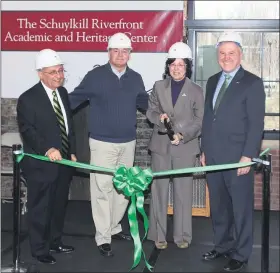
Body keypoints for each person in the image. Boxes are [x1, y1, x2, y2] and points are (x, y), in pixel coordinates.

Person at [68, 32, 149, 257]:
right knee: (102, 189)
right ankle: (102, 237)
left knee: (123, 188)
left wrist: (163, 115)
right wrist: (54, 110)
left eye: (125, 51)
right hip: (102, 142)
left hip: (128, 142)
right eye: (116, 50)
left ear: (130, 54)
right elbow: (73, 100)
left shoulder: (136, 78)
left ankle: (114, 227)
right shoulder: (95, 76)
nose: (121, 54)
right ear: (109, 52)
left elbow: (145, 104)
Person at [200, 32, 265, 272]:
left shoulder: (252, 82)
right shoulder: (212, 81)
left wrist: (248, 155)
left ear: (240, 55)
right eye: (222, 53)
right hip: (214, 156)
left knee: (241, 208)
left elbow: (256, 123)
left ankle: (241, 253)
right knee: (218, 206)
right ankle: (222, 246)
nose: (226, 57)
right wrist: (204, 150)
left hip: (238, 158)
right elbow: (209, 118)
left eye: (231, 53)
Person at [17, 49, 77, 264]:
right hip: (41, 165)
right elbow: (27, 130)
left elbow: (69, 126)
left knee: (58, 205)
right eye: (53, 72)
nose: (58, 76)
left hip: (63, 163)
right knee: (40, 207)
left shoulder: (62, 93)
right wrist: (47, 149)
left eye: (60, 71)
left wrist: (71, 151)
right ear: (40, 74)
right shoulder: (28, 99)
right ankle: (39, 249)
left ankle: (55, 241)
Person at [146, 42, 205, 250]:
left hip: (185, 148)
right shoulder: (158, 87)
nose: (176, 68)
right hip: (161, 147)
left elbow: (199, 121)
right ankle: (158, 235)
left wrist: (182, 134)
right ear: (168, 66)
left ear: (187, 66)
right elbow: (150, 111)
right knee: (159, 192)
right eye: (173, 64)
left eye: (181, 64)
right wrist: (158, 118)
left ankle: (182, 236)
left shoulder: (196, 91)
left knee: (183, 193)